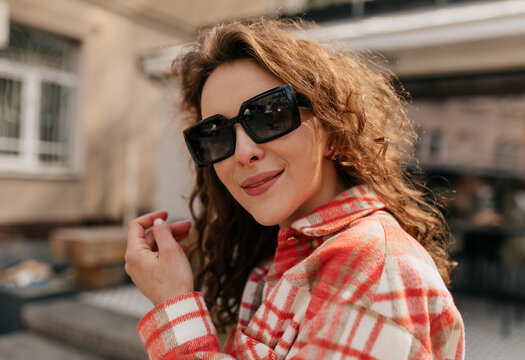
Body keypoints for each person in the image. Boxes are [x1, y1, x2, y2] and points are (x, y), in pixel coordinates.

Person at [124, 18, 465, 360]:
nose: (243, 153)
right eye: (215, 135)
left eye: (267, 116)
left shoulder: (373, 270)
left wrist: (173, 304)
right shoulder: (279, 264)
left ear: (331, 129)